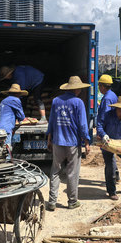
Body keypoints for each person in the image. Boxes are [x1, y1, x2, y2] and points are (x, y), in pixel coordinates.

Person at [45, 76, 90, 211]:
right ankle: (72, 201)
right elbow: (82, 124)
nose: (81, 91)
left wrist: (49, 138)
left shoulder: (56, 101)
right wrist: (87, 141)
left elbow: (52, 121)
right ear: (76, 89)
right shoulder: (78, 102)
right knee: (72, 172)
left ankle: (52, 202)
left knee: (55, 171)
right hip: (72, 143)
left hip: (58, 142)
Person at [97, 74, 120, 182]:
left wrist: (101, 132)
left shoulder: (106, 98)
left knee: (108, 156)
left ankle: (113, 177)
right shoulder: (113, 95)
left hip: (107, 130)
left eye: (99, 85)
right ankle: (116, 174)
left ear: (101, 86)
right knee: (111, 155)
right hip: (113, 128)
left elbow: (104, 117)